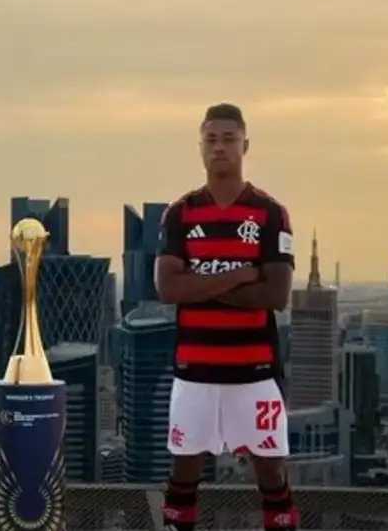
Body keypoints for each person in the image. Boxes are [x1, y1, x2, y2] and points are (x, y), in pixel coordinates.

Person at [155, 103, 298, 531]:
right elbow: (168, 289)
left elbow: (275, 295)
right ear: (200, 147)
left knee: (271, 472)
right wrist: (239, 274)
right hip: (194, 372)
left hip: (255, 372)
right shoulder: (179, 214)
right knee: (184, 470)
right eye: (211, 139)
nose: (219, 147)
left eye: (229, 139)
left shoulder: (271, 213)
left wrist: (199, 280)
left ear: (245, 146)